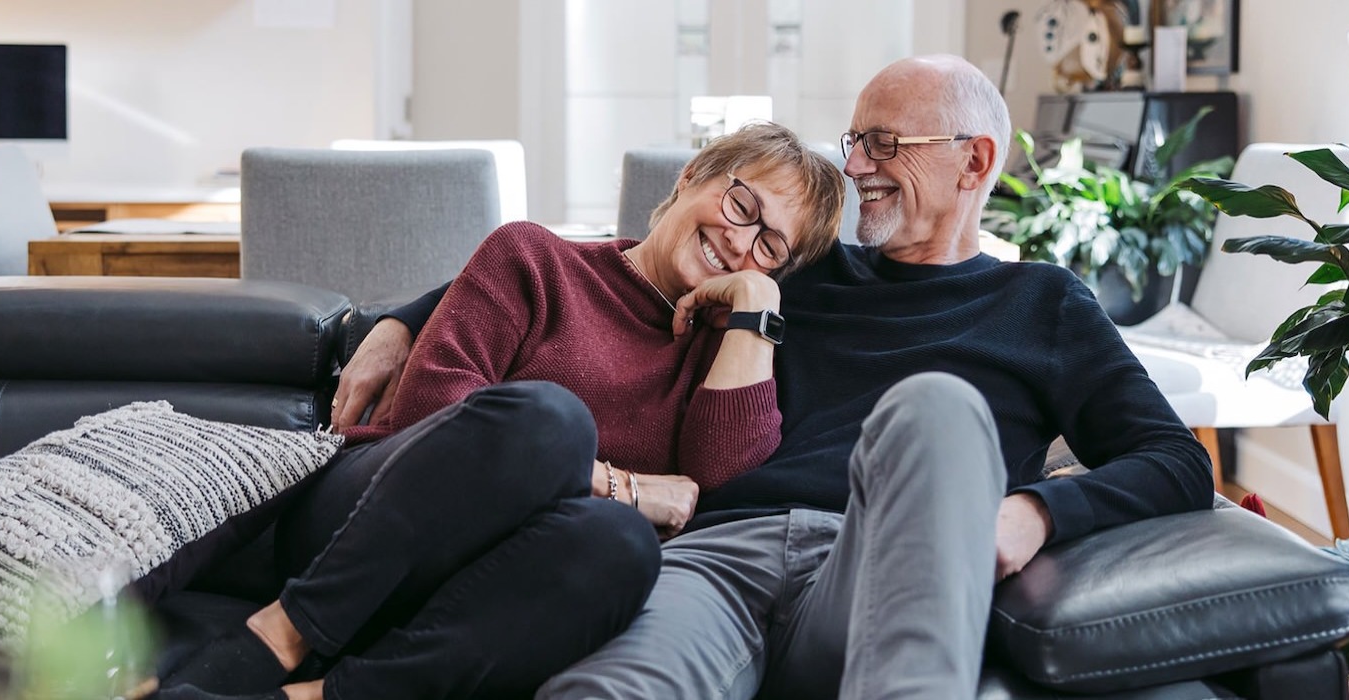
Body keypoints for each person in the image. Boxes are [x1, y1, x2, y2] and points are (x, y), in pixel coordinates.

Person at [336, 55, 1214, 699]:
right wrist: (397, 319)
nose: (856, 166)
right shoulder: (799, 266)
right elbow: (607, 268)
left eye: (884, 144)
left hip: (875, 563)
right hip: (712, 558)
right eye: (855, 141)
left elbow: (1175, 459)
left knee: (937, 407)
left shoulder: (1044, 304)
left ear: (975, 162)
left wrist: (1037, 512)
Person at [168, 122, 846, 700]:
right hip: (373, 519)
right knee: (548, 421)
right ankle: (280, 635)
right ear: (693, 176)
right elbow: (433, 412)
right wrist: (624, 487)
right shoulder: (534, 256)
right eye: (741, 205)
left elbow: (720, 490)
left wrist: (755, 307)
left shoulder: (728, 357)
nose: (741, 243)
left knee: (621, 547)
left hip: (498, 586)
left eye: (770, 247)